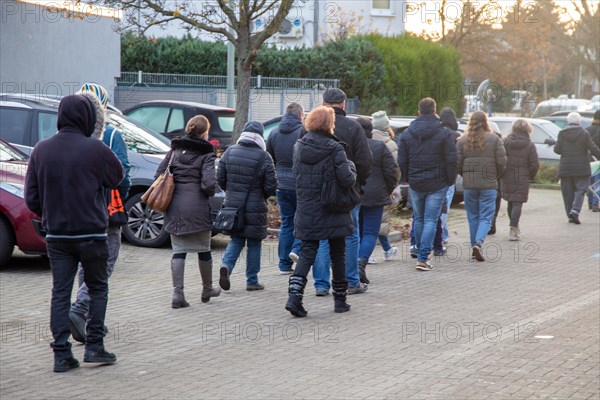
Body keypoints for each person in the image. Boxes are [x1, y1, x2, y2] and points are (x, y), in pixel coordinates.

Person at [25, 94, 124, 372]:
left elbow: (31, 198)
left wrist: (51, 211)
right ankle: (94, 347)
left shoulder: (41, 149)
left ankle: (61, 354)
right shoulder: (96, 149)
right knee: (98, 288)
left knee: (60, 293)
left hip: (57, 235)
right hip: (92, 233)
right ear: (88, 118)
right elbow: (117, 177)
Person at [69, 83, 131, 344]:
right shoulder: (112, 135)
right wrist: (119, 199)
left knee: (85, 265)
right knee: (104, 266)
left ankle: (91, 321)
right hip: (105, 213)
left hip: (76, 213)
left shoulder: (68, 135)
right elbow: (123, 174)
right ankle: (81, 309)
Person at [285, 106, 355, 317]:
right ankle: (340, 301)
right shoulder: (335, 148)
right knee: (338, 252)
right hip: (333, 206)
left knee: (307, 251)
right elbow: (347, 179)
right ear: (329, 124)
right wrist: (350, 166)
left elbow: (297, 175)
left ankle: (294, 297)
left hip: (307, 206)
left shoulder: (299, 146)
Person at [153, 115, 220, 308]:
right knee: (204, 249)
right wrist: (211, 190)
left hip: (175, 207)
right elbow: (208, 185)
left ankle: (178, 295)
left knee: (179, 250)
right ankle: (207, 289)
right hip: (198, 207)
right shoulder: (207, 152)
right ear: (205, 132)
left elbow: (159, 174)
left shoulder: (174, 149)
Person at [311, 88, 372, 296]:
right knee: (351, 235)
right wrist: (357, 184)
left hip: (320, 192)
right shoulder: (354, 127)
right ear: (344, 104)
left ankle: (321, 284)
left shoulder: (311, 127)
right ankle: (351, 281)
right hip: (348, 191)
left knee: (321, 236)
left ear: (323, 102)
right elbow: (365, 160)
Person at [398, 98, 457, 271]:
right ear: (434, 111)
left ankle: (419, 252)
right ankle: (423, 257)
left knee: (419, 219)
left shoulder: (408, 133)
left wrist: (406, 178)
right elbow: (451, 160)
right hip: (437, 183)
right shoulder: (444, 133)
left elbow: (402, 160)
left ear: (419, 112)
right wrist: (450, 179)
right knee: (431, 219)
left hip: (415, 182)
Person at [218, 121, 277, 291]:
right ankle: (252, 280)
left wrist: (231, 191)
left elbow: (220, 177)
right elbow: (271, 186)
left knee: (236, 238)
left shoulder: (229, 151)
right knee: (254, 243)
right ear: (260, 137)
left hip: (232, 206)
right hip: (255, 206)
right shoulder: (264, 156)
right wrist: (261, 196)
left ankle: (226, 266)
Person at [457, 111, 507, 261]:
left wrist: (465, 174)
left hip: (470, 185)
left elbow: (457, 163)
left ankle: (474, 247)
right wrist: (496, 175)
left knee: (473, 217)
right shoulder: (495, 139)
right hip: (489, 184)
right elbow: (502, 161)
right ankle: (478, 243)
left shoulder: (462, 141)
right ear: (486, 122)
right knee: (486, 216)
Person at [355, 117, 399, 284]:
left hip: (355, 195)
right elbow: (392, 172)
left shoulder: (351, 148)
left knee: (356, 233)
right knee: (370, 233)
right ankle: (361, 263)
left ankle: (353, 266)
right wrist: (386, 190)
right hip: (375, 196)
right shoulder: (380, 147)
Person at [266, 102, 305, 274]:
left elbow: (270, 158)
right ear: (300, 115)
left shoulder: (274, 133)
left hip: (281, 184)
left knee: (287, 223)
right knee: (304, 221)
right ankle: (296, 250)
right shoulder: (303, 133)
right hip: (300, 184)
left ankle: (283, 264)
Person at [554, 112, 600, 224]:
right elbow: (593, 148)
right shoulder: (584, 133)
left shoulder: (561, 133)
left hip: (566, 168)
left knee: (567, 193)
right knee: (581, 190)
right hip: (581, 168)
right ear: (579, 122)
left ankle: (570, 214)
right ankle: (575, 211)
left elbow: (557, 150)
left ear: (568, 121)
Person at [501, 119, 539, 241]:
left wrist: (501, 173)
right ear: (527, 129)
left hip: (507, 175)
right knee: (517, 203)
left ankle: (514, 226)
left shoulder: (505, 142)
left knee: (510, 202)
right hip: (522, 176)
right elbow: (534, 164)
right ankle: (513, 228)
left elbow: (500, 159)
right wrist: (529, 176)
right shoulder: (530, 145)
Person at [370, 110, 400, 263]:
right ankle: (367, 255)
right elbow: (394, 170)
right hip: (382, 189)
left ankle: (387, 249)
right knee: (378, 221)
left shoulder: (365, 140)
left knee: (373, 221)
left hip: (365, 188)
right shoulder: (389, 144)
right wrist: (393, 187)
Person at [439, 107, 461, 245]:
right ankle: (442, 234)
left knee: (439, 207)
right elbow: (457, 158)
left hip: (436, 175)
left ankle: (443, 234)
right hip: (450, 177)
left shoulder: (437, 133)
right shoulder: (457, 136)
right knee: (444, 208)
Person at [585, 110, 600, 212]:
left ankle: (590, 203)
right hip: (598, 159)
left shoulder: (587, 130)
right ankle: (595, 204)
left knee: (590, 182)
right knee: (598, 182)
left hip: (587, 159)